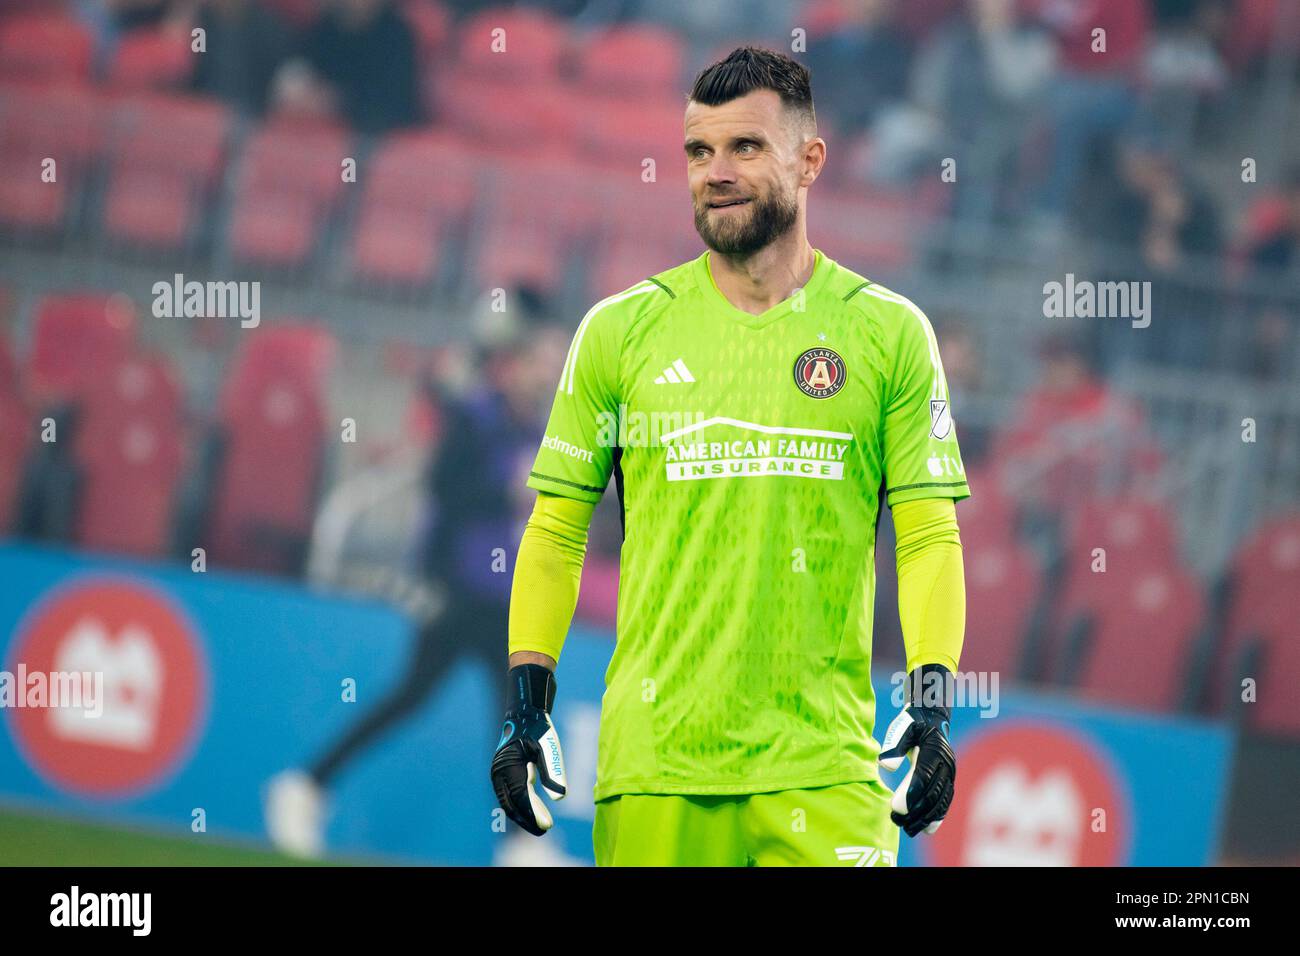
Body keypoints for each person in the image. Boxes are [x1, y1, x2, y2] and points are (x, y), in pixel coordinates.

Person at [490, 47, 970, 866]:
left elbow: (926, 536)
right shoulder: (618, 333)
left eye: (745, 147)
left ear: (809, 160)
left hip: (827, 770)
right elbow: (557, 530)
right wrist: (528, 705)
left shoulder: (891, 335)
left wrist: (931, 705)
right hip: (657, 766)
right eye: (698, 151)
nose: (716, 171)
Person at [264, 304, 570, 857]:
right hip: (458, 591)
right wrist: (498, 500)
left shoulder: (531, 428)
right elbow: (442, 489)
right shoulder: (479, 418)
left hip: (501, 596)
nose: (548, 371)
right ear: (513, 364)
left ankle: (521, 844)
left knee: (509, 709)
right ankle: (305, 785)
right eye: (539, 360)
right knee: (420, 699)